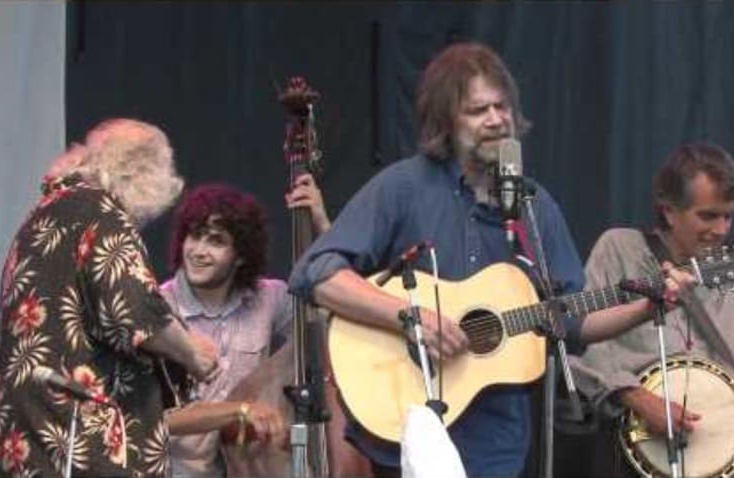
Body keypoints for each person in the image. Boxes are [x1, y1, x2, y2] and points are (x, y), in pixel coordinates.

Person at [287, 42, 693, 478]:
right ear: (446, 121)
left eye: (502, 107)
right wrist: (412, 316)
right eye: (478, 110)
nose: (497, 120)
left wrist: (648, 307)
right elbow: (316, 273)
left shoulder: (534, 206)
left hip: (498, 438)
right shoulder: (403, 188)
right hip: (412, 426)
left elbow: (570, 319)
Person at [554, 142, 734, 478]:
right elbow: (579, 347)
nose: (721, 230)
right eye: (707, 215)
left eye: (728, 216)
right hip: (624, 452)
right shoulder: (620, 249)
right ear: (668, 209)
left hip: (709, 461)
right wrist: (637, 398)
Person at [0, 118, 220, 478]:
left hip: (23, 431)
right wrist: (192, 354)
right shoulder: (103, 214)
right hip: (79, 439)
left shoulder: (42, 214)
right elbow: (139, 315)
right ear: (143, 173)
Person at [160, 176, 331, 478]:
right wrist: (239, 411)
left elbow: (332, 311)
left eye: (215, 241)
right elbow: (155, 420)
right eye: (194, 236)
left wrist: (319, 221)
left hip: (251, 466)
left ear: (240, 256)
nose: (199, 251)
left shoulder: (269, 297)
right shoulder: (160, 308)